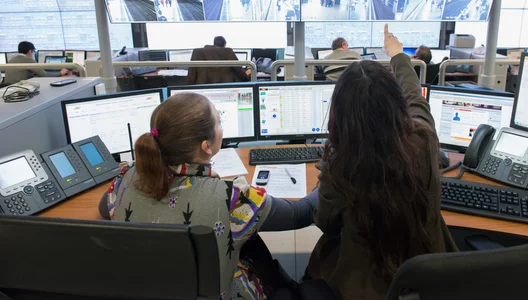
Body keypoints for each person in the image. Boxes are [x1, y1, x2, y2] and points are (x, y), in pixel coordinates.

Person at [98, 93, 317, 299]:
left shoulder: (126, 179)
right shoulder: (232, 197)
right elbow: (302, 214)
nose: (221, 128)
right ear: (206, 146)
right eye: (219, 123)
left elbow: (103, 208)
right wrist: (327, 175)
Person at [307, 24, 457, 298]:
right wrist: (397, 54)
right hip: (431, 281)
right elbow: (414, 95)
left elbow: (326, 223)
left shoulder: (340, 165)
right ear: (395, 103)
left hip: (365, 290)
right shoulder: (424, 141)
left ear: (341, 116)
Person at [187, 36, 251, 84]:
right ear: (224, 45)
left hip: (202, 90)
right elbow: (239, 72)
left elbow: (191, 77)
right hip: (225, 89)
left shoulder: (198, 52)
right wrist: (247, 73)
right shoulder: (228, 52)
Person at [3, 41, 70, 86]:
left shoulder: (12, 59)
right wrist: (61, 73)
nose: (33, 53)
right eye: (33, 51)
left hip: (9, 87)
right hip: (21, 88)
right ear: (30, 51)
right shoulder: (28, 59)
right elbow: (44, 75)